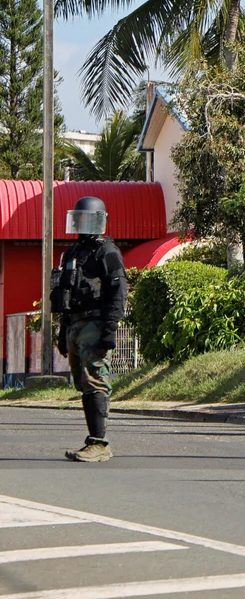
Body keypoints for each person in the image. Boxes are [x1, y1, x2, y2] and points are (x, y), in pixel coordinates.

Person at [49, 196, 127, 463]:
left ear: (100, 221)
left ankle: (99, 444)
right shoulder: (72, 253)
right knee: (83, 383)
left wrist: (109, 328)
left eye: (88, 220)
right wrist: (62, 330)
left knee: (95, 380)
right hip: (75, 324)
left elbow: (118, 291)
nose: (83, 226)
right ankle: (93, 440)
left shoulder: (107, 252)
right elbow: (65, 293)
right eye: (79, 219)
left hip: (94, 322)